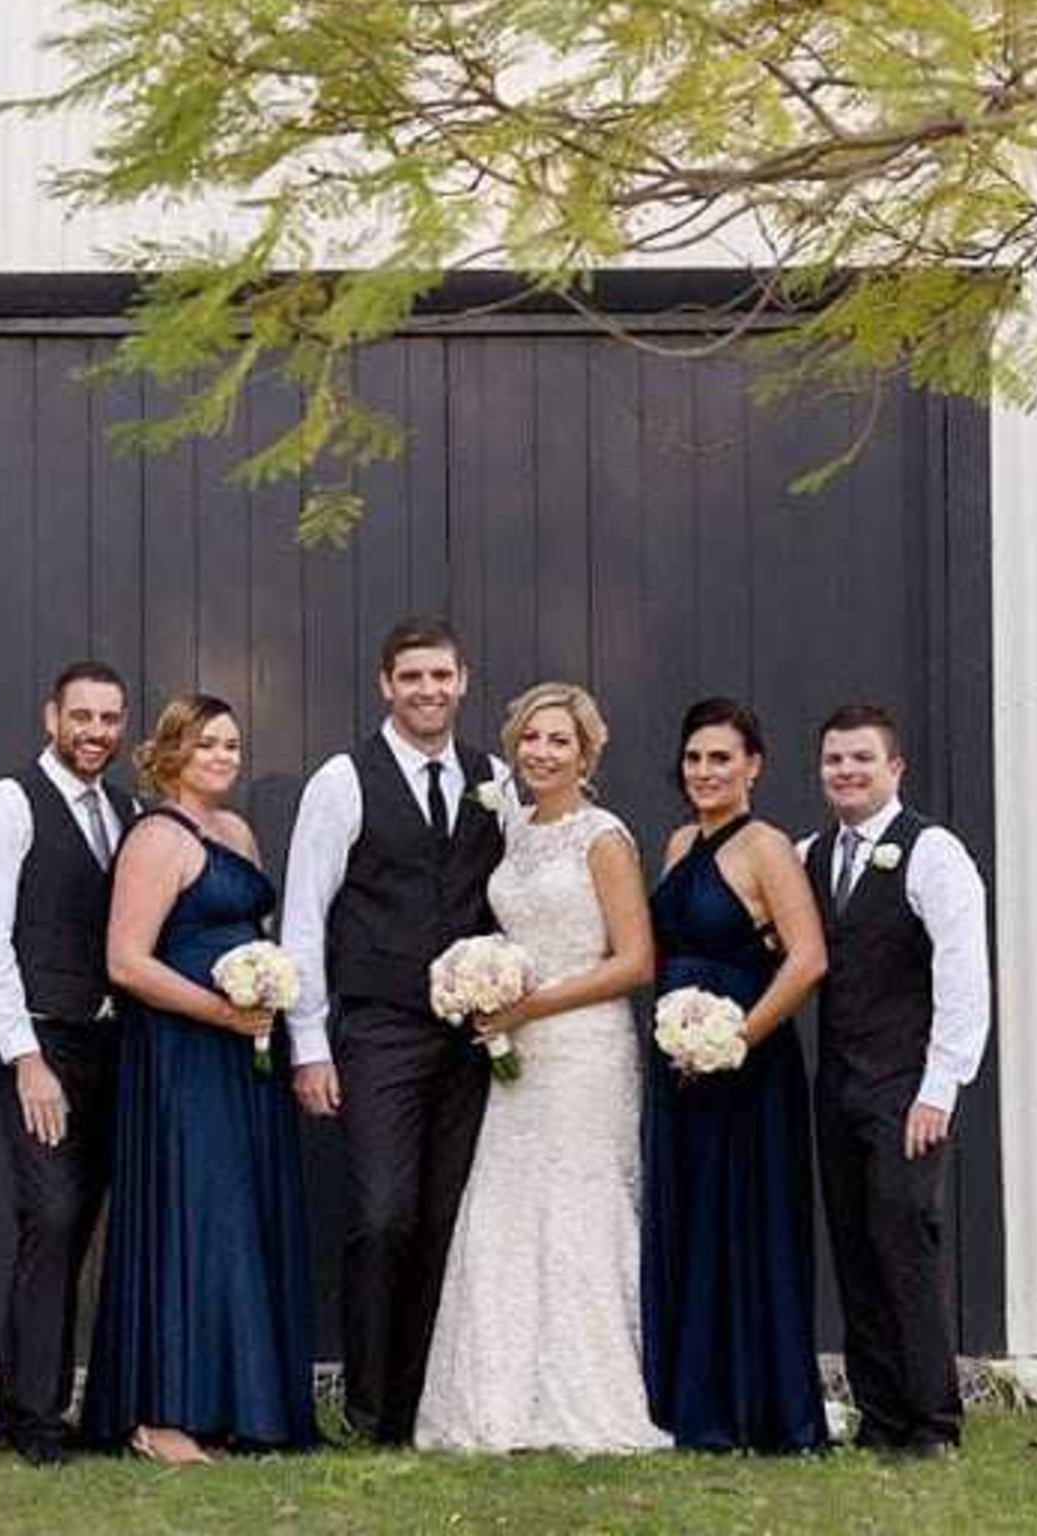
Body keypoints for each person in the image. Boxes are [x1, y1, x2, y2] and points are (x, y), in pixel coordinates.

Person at [414, 682, 667, 1454]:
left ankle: (592, 1398)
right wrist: (487, 983)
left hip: (584, 1048)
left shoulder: (604, 837)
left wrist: (533, 1005)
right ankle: (500, 1402)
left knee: (579, 1210)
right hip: (517, 1050)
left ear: (586, 753)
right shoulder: (515, 832)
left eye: (559, 741)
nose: (542, 753)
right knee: (506, 1206)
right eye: (531, 739)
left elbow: (635, 961)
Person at [280, 616, 508, 1444]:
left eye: (441, 676)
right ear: (385, 684)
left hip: (471, 1040)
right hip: (377, 1029)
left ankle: (419, 1409)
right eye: (411, 677)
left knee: (447, 1219)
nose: (427, 691)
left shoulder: (495, 777)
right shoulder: (342, 780)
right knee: (383, 1215)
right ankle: (370, 1408)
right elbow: (304, 915)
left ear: (463, 680)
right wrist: (308, 1043)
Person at [79, 695, 317, 1463]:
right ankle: (160, 1415)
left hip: (244, 1054)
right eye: (207, 743)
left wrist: (264, 990)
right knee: (190, 1214)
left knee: (241, 1218)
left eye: (233, 744)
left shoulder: (238, 833)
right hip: (181, 1056)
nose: (223, 755)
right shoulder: (157, 837)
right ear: (172, 752)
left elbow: (253, 933)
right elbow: (126, 962)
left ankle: (239, 1405)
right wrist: (220, 1013)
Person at [642, 697, 831, 1453]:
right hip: (680, 1064)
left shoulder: (768, 848)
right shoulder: (679, 841)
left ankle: (764, 1405)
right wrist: (682, 1042)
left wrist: (735, 1040)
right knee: (693, 1223)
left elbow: (808, 959)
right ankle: (699, 1402)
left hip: (747, 1070)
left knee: (747, 1223)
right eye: (694, 758)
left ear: (753, 765)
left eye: (721, 758)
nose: (705, 771)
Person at [804, 703, 991, 1459]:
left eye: (861, 759)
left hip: (907, 1089)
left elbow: (962, 974)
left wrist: (940, 1086)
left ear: (895, 769)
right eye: (833, 760)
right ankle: (880, 1419)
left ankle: (933, 1424)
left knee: (903, 1244)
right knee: (853, 1246)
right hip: (838, 1085)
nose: (845, 771)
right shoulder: (811, 852)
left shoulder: (933, 853)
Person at [0, 660, 135, 1466]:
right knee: (53, 1216)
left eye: (108, 719)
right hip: (39, 1042)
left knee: (76, 1226)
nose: (96, 733)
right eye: (82, 717)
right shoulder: (9, 804)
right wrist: (26, 1059)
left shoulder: (125, 809)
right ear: (50, 717)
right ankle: (32, 1419)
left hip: (107, 1043)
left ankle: (23, 1408)